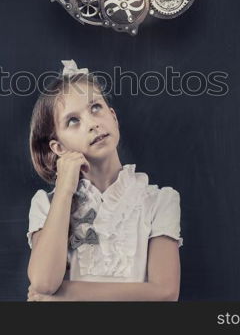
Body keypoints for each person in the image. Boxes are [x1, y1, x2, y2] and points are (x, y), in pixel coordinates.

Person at [26, 59, 183, 301]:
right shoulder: (46, 205)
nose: (92, 123)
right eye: (73, 121)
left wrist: (64, 294)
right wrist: (64, 190)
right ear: (58, 147)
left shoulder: (159, 201)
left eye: (96, 107)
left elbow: (165, 292)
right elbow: (44, 282)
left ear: (113, 117)